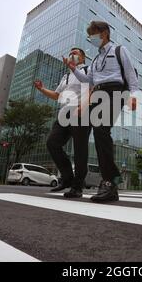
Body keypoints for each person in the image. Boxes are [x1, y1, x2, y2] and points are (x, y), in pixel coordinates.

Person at [66, 21, 138, 203]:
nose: (91, 39)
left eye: (94, 35)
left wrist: (133, 95)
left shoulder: (119, 50)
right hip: (97, 92)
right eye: (90, 36)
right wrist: (74, 69)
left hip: (115, 91)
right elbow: (88, 80)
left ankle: (109, 182)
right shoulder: (96, 60)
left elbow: (130, 73)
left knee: (100, 130)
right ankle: (85, 183)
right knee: (84, 131)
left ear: (104, 33)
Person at [35, 48, 92, 199]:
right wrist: (42, 89)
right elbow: (57, 95)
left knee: (80, 149)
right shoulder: (66, 76)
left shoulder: (87, 69)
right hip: (64, 114)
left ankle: (77, 186)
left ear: (82, 57)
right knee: (52, 143)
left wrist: (83, 106)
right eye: (70, 52)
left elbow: (92, 88)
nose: (71, 54)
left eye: (75, 52)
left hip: (81, 111)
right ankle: (67, 178)